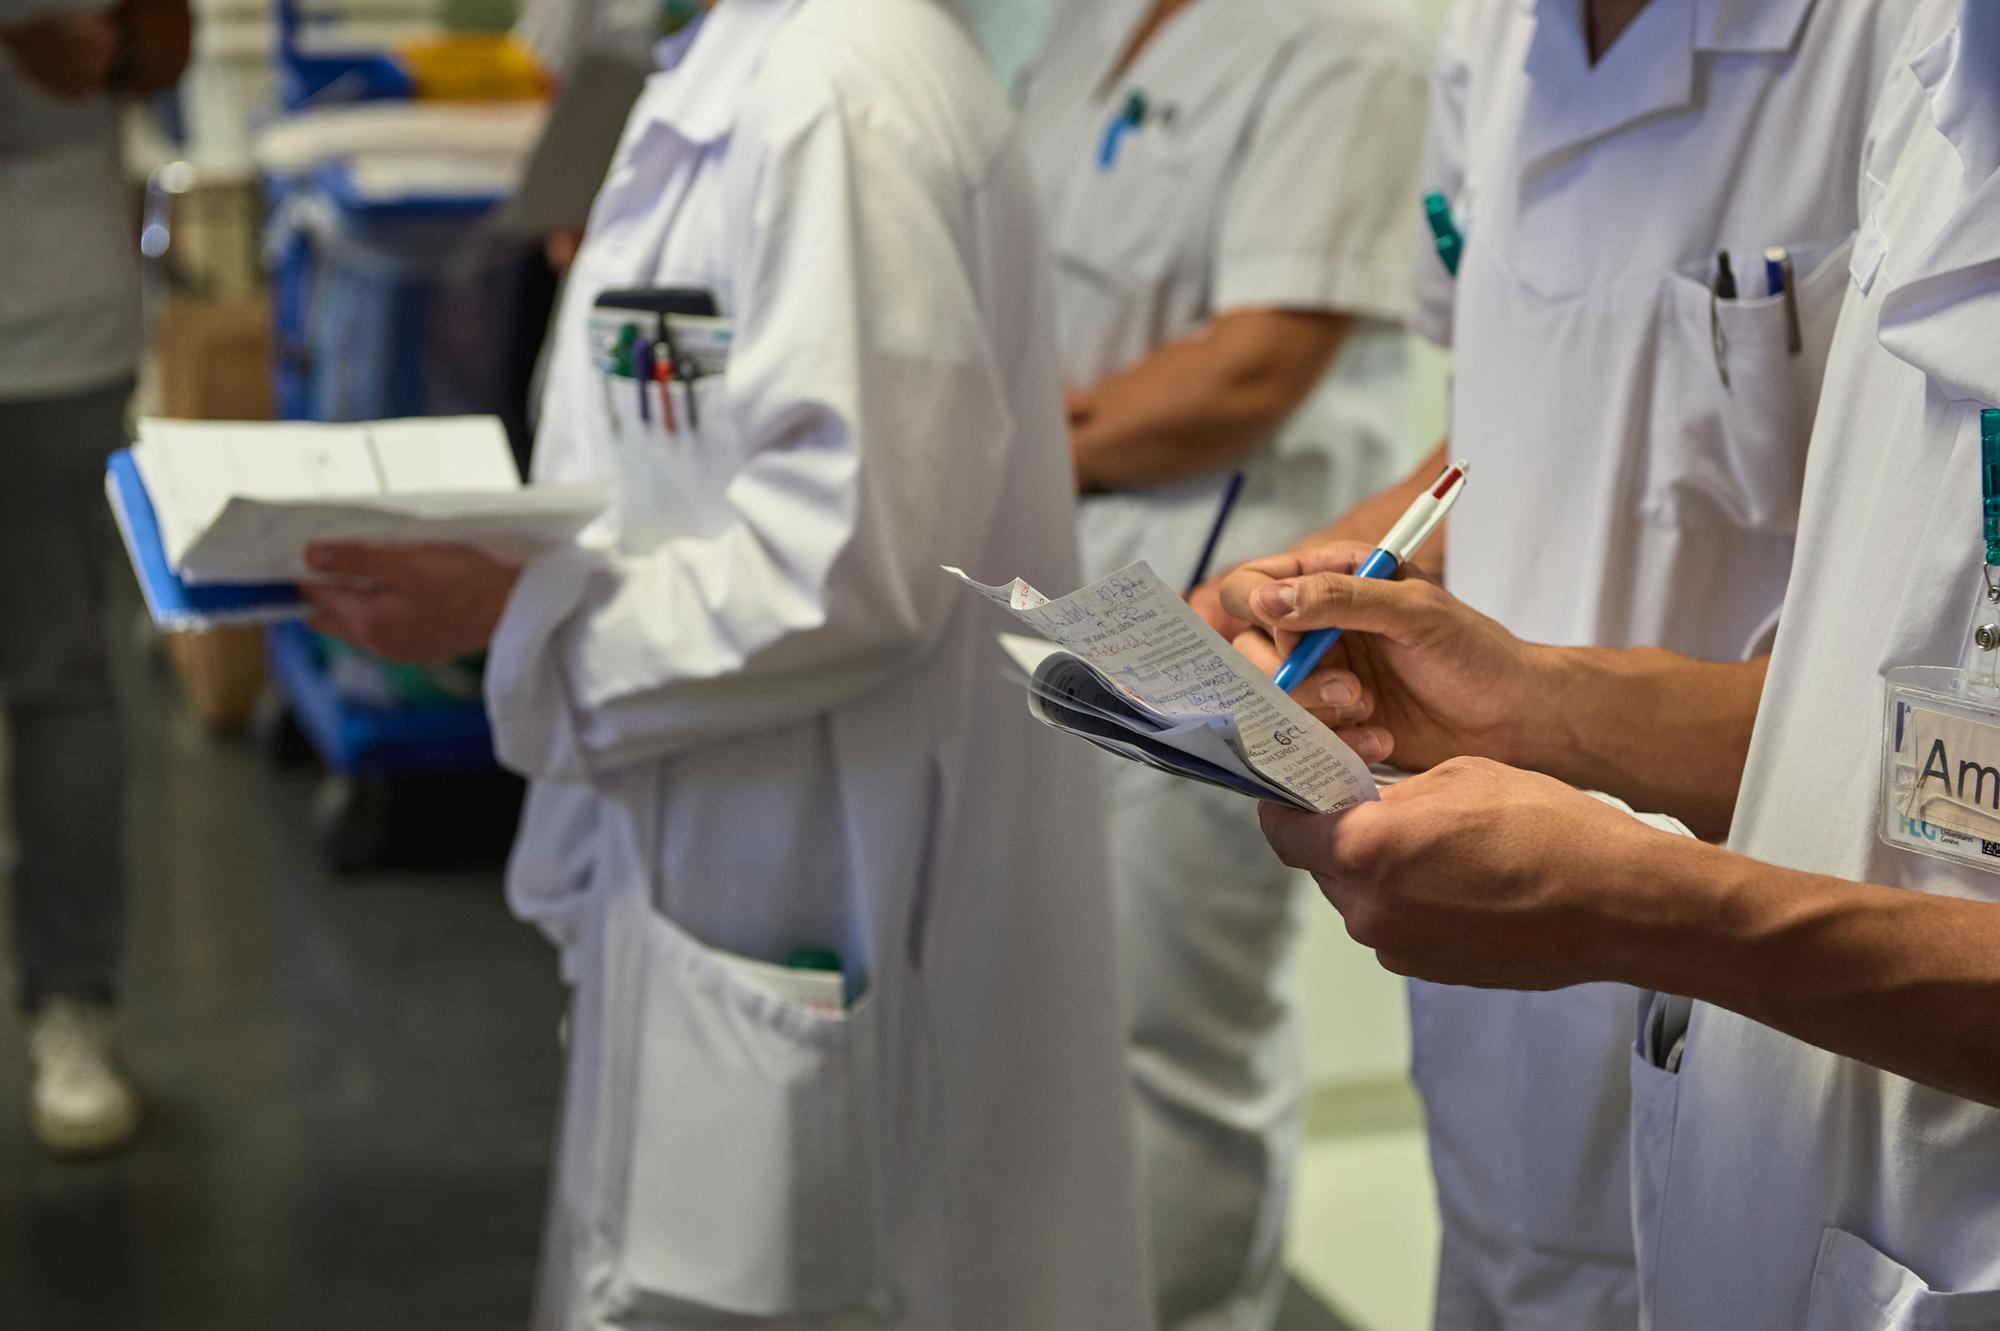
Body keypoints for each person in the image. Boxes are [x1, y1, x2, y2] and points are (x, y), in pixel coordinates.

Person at [300, 0, 1151, 1325]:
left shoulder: (838, 96)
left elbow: (848, 569)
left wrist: (519, 613)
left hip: (820, 873)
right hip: (717, 856)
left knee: (840, 1262)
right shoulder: (737, 66)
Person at [1215, 1, 2000, 1319]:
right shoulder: (1945, 68)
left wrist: (1651, 906)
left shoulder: (1878, 34)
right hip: (1720, 1129)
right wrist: (1530, 705)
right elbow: (1871, 709)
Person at [1013, 2, 1426, 1322]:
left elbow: (1245, 371)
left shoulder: (1348, 41)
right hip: (1062, 588)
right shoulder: (1092, 26)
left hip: (1221, 626)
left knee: (1165, 1030)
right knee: (1038, 1024)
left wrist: (1013, 439)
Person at [1, 0, 189, 1155]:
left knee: (60, 682)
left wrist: (108, 51)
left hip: (51, 336)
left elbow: (164, 40)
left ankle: (74, 1007)